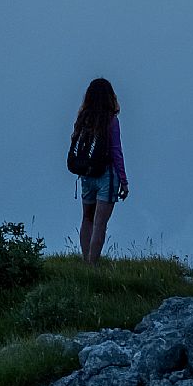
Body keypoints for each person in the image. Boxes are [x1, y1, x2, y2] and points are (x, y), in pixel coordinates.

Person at [71, 77, 129, 264]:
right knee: (100, 223)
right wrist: (124, 180)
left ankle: (85, 260)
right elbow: (116, 151)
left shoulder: (83, 118)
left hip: (86, 174)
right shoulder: (111, 121)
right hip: (107, 175)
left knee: (87, 218)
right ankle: (92, 264)